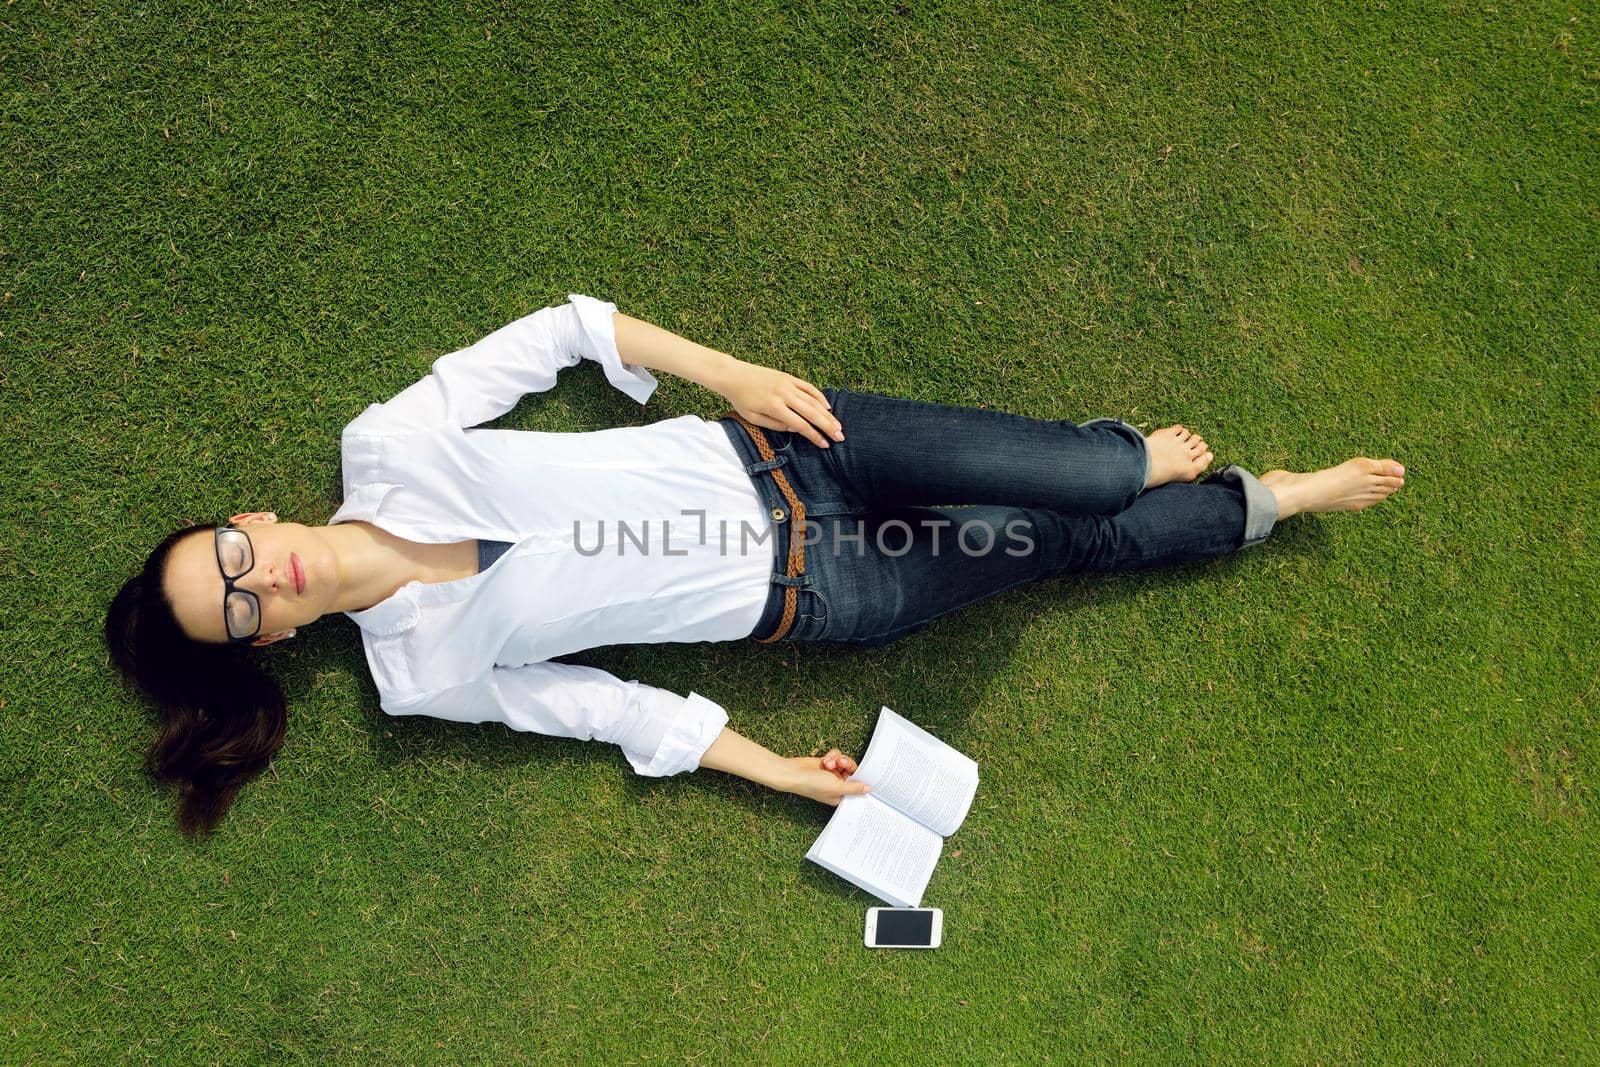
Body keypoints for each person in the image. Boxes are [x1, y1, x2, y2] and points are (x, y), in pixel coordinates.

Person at [104, 293, 1405, 837]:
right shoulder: (418, 673)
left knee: (1100, 475)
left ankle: (1121, 460)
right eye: (230, 611)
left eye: (228, 556)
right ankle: (1271, 503)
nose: (251, 580)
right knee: (1061, 546)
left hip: (795, 454)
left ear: (255, 520)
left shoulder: (384, 444)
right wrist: (779, 771)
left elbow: (565, 328)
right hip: (829, 590)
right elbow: (606, 712)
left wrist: (728, 374)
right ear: (263, 644)